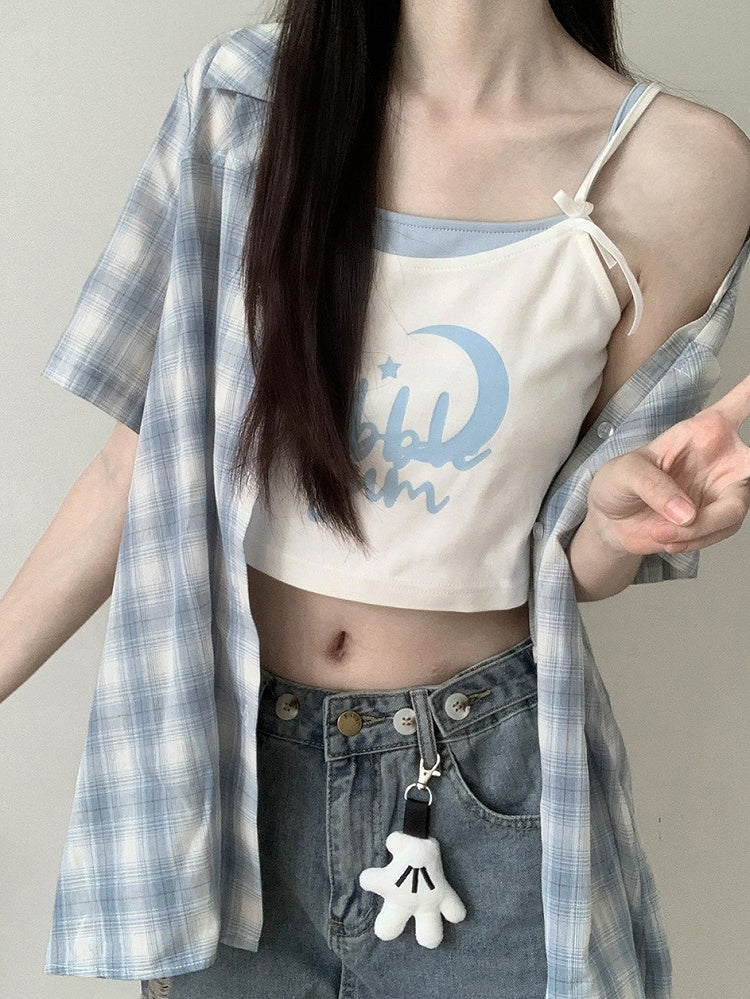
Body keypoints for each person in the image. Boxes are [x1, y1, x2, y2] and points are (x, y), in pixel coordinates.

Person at [2, 2, 750, 998]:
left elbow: (573, 557)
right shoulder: (247, 99)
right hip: (234, 783)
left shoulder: (681, 169)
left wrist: (622, 518)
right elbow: (139, 462)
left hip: (484, 780)